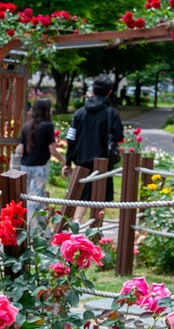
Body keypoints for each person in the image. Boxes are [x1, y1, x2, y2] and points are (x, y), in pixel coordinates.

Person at [63, 75, 124, 223]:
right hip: (103, 164)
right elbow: (118, 135)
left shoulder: (79, 113)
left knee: (80, 198)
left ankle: (75, 226)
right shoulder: (111, 113)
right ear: (109, 92)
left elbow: (71, 138)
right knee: (99, 199)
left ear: (93, 90)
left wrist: (68, 161)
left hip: (81, 163)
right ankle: (96, 235)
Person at [15, 97, 66, 231]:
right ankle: (31, 232)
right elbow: (52, 150)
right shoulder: (47, 126)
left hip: (25, 167)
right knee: (34, 201)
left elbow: (20, 149)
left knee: (39, 200)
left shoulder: (26, 126)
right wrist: (65, 162)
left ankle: (45, 233)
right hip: (40, 169)